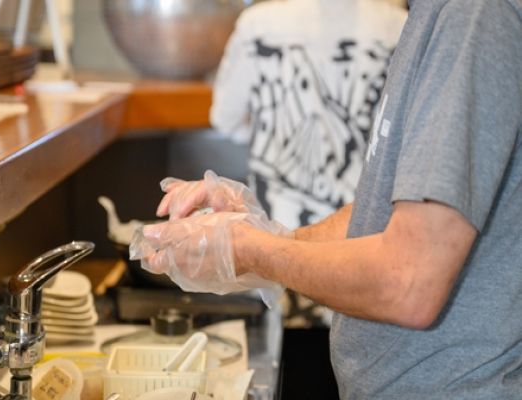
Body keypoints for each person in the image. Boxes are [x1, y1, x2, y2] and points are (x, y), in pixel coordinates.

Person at [136, 0, 522, 398]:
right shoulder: (425, 16)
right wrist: (267, 235)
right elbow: (388, 210)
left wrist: (249, 249)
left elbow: (407, 283)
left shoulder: (472, 12)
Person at [210, 0, 407, 326]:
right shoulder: (397, 26)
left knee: (280, 362)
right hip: (360, 245)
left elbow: (225, 119)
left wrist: (271, 129)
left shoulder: (258, 24)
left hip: (274, 242)